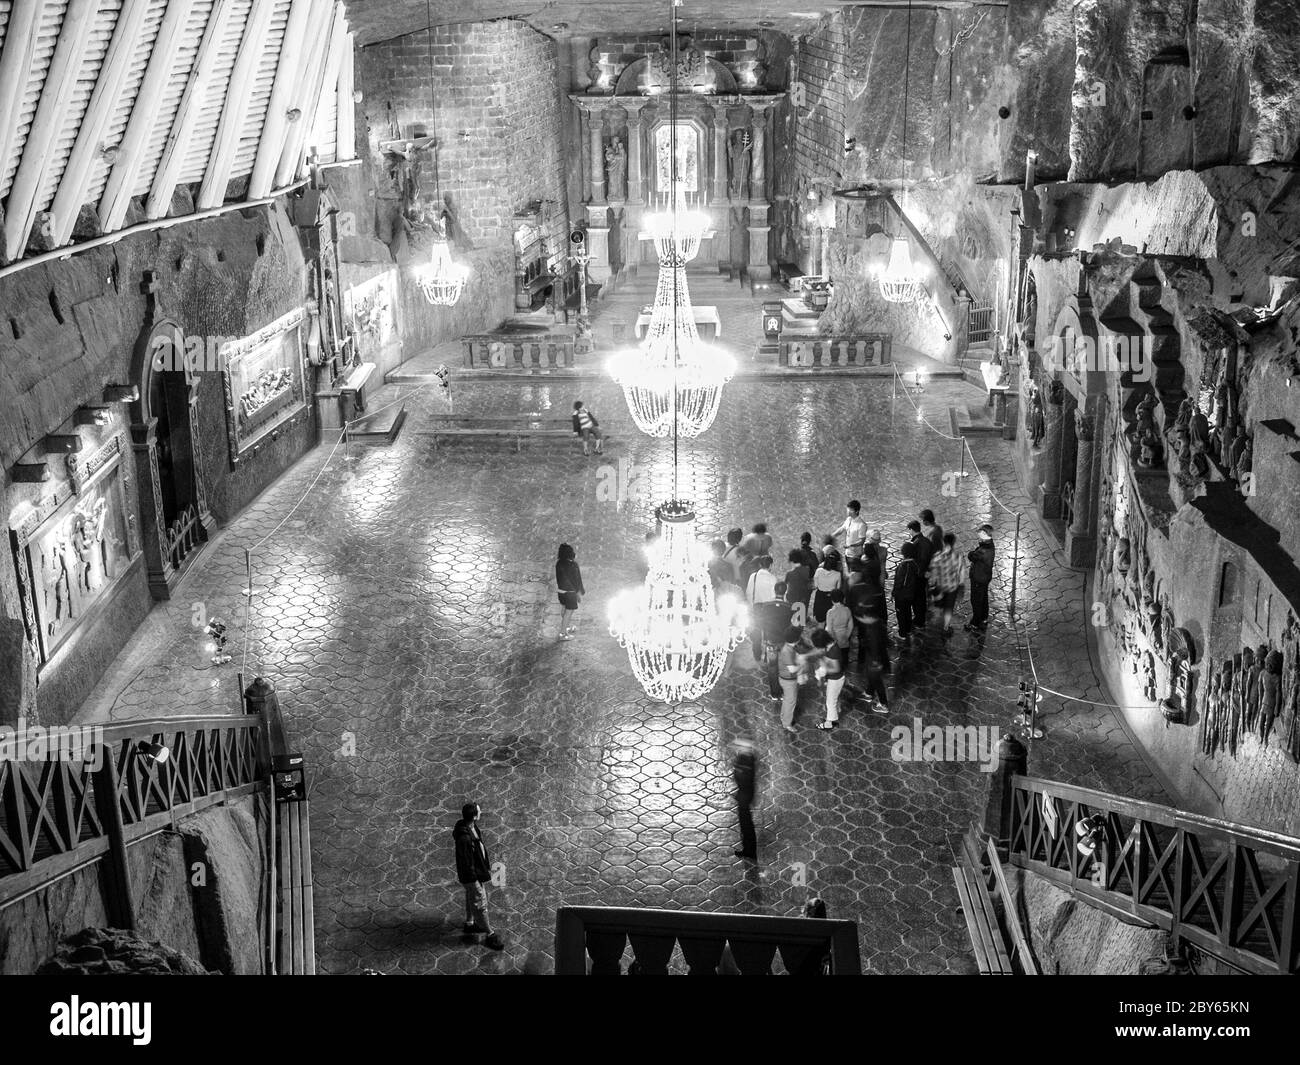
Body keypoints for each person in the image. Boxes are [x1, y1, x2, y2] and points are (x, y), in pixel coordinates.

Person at [453, 803, 505, 950]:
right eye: (479, 810)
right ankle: (490, 934)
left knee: (471, 896)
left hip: (474, 873)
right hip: (471, 876)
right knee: (480, 903)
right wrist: (475, 880)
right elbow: (466, 862)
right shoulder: (465, 838)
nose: (481, 810)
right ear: (475, 816)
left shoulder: (470, 826)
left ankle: (470, 923)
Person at [930, 532, 966, 637]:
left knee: (941, 605)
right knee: (949, 608)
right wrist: (961, 584)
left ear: (943, 542)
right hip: (952, 587)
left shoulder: (937, 556)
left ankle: (941, 614)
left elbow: (933, 574)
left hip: (940, 587)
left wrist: (932, 585)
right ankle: (946, 627)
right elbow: (961, 572)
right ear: (953, 542)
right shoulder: (958, 556)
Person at [857, 605, 891, 713]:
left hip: (875, 660)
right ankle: (869, 693)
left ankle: (883, 704)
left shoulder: (874, 630)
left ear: (868, 616)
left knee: (877, 680)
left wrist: (876, 662)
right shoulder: (878, 624)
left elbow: (876, 646)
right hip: (874, 658)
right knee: (872, 676)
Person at [810, 628, 845, 731]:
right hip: (834, 679)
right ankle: (836, 710)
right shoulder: (831, 644)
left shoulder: (834, 651)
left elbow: (836, 668)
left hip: (836, 679)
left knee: (830, 702)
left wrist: (824, 668)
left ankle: (830, 722)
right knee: (833, 698)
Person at [746, 555, 779, 661]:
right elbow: (774, 596)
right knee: (768, 632)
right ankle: (767, 655)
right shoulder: (773, 578)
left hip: (756, 608)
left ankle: (756, 654)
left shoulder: (753, 576)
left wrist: (751, 607)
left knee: (756, 632)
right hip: (768, 608)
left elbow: (749, 593)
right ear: (771, 565)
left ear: (760, 564)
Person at [731, 738, 759, 861]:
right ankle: (748, 849)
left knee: (746, 825)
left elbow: (743, 779)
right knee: (746, 824)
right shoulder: (747, 759)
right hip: (745, 796)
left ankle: (749, 851)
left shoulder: (745, 761)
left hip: (744, 797)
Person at [965, 524, 995, 631]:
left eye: (980, 533)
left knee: (976, 600)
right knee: (983, 598)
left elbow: (971, 556)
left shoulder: (983, 551)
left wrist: (971, 552)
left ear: (984, 534)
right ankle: (983, 617)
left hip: (978, 578)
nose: (978, 535)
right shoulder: (990, 545)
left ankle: (975, 623)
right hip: (985, 577)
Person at [775, 626, 803, 733]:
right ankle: (787, 723)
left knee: (787, 700)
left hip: (786, 679)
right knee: (791, 702)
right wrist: (801, 665)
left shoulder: (788, 647)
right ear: (797, 639)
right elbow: (792, 669)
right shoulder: (787, 651)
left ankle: (784, 717)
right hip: (788, 681)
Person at [892, 540, 921, 640]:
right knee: (908, 611)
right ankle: (908, 629)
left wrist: (894, 593)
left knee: (901, 613)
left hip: (902, 595)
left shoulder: (903, 566)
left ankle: (902, 633)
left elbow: (899, 582)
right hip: (911, 594)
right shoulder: (915, 565)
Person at [907, 520, 933, 630]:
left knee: (918, 599)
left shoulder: (915, 544)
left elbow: (917, 562)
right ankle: (920, 618)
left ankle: (919, 621)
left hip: (918, 575)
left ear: (911, 530)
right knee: (922, 596)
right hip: (925, 574)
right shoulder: (927, 541)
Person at [555, 543, 584, 639]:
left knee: (564, 609)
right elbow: (577, 580)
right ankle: (563, 634)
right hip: (570, 593)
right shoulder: (573, 565)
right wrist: (578, 593)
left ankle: (565, 627)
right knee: (569, 612)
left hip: (561, 592)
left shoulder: (559, 563)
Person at [831, 500, 869, 569]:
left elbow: (862, 541)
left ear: (857, 511)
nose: (847, 511)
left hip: (855, 555)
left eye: (850, 510)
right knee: (849, 570)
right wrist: (832, 536)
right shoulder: (848, 519)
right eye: (847, 509)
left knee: (855, 573)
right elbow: (841, 529)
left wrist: (850, 545)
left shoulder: (861, 525)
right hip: (847, 553)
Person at [811, 556, 842, 624]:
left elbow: (816, 586)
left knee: (820, 619)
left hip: (820, 596)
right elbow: (838, 589)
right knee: (830, 620)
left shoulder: (818, 571)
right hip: (831, 597)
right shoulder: (838, 574)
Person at [782, 549, 813, 616]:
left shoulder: (790, 574)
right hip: (803, 599)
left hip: (792, 599)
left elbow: (784, 586)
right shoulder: (807, 569)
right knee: (800, 621)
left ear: (791, 561)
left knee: (792, 620)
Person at [825, 588, 853, 658]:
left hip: (834, 641)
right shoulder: (847, 610)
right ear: (843, 598)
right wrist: (846, 636)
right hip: (844, 638)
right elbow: (851, 626)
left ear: (832, 600)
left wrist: (834, 640)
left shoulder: (830, 612)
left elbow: (830, 628)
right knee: (844, 656)